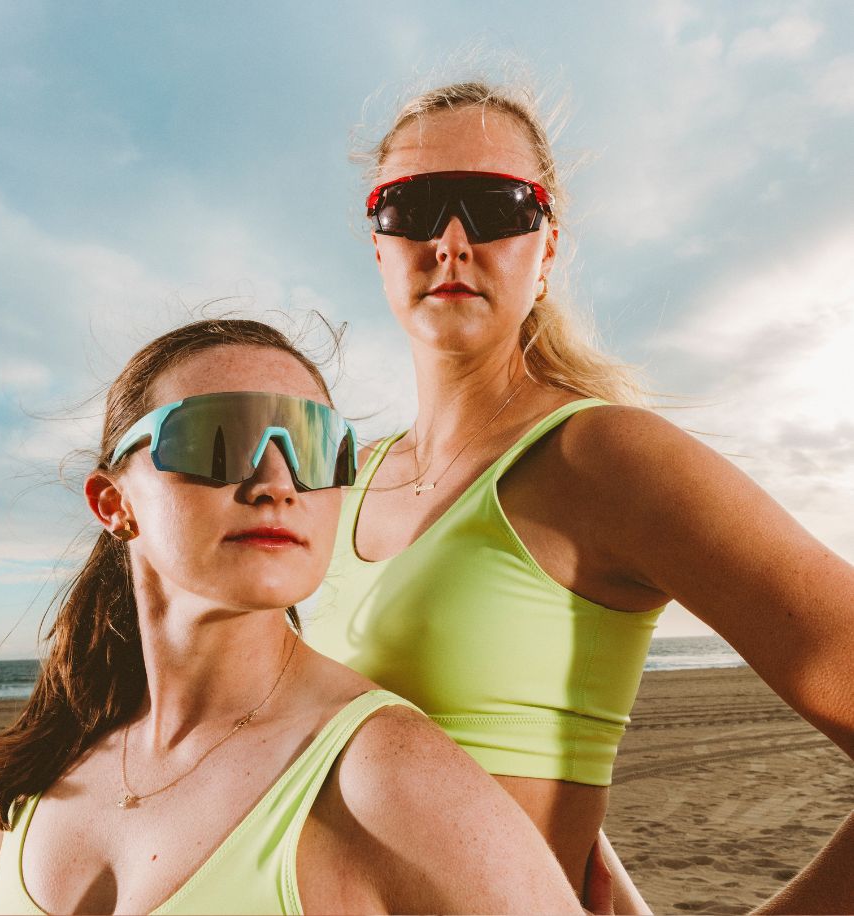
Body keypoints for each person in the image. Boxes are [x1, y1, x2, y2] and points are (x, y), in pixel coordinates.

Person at [307, 80, 854, 913]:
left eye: (495, 206)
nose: (450, 240)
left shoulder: (604, 458)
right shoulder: (333, 483)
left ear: (548, 245)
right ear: (376, 242)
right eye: (411, 206)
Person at [0, 319, 594, 916]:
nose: (275, 482)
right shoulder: (46, 764)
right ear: (113, 501)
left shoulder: (381, 774)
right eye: (217, 440)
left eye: (315, 449)